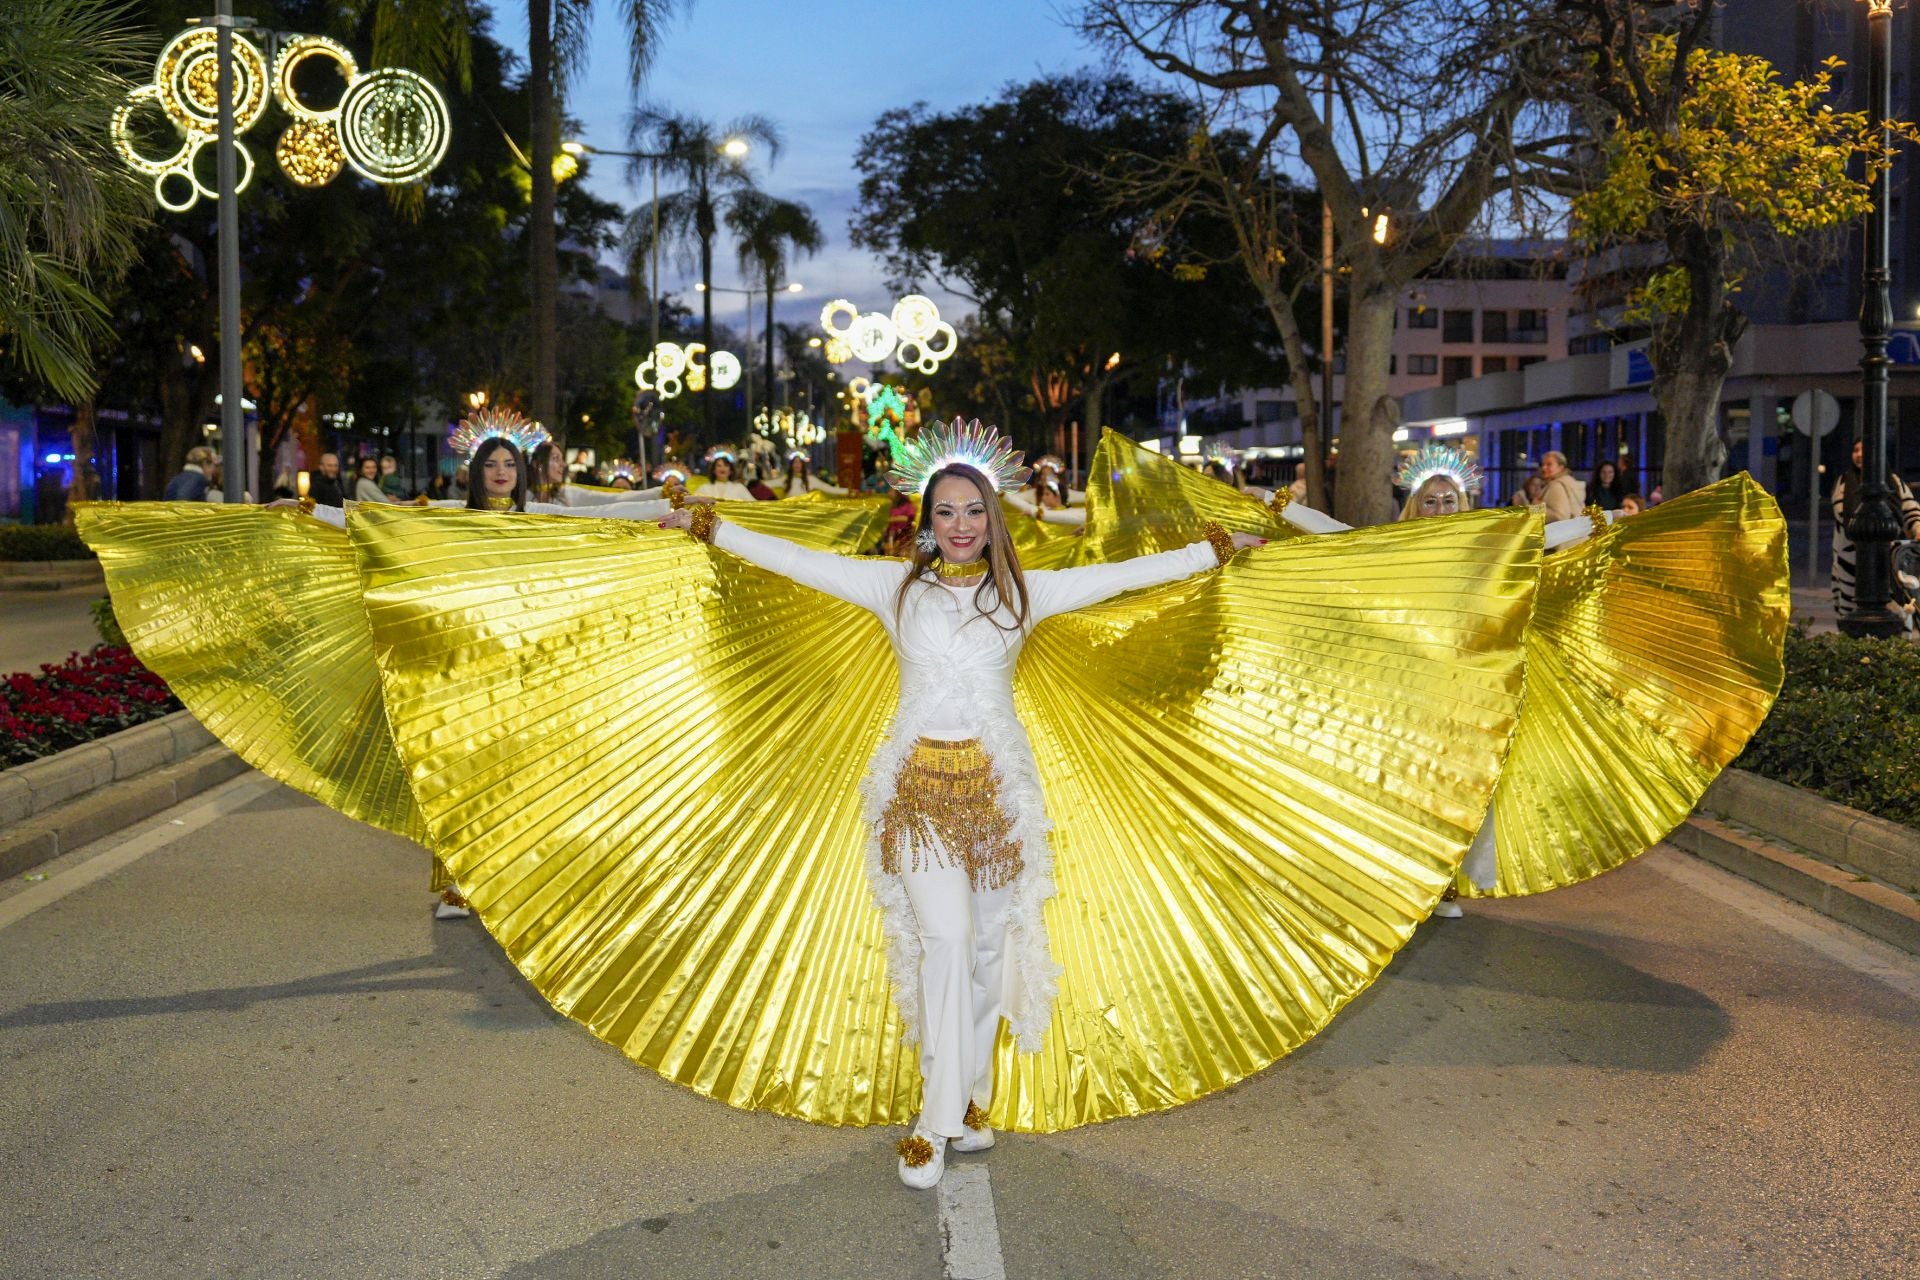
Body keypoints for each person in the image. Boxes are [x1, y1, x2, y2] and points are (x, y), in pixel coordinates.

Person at [658, 419, 1266, 1188]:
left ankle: (972, 1101)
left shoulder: (1025, 592)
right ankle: (933, 1124)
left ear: (993, 517)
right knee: (943, 941)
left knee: (984, 952)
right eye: (945, 512)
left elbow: (1124, 576)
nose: (960, 526)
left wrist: (1213, 552)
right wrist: (708, 527)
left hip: (998, 798)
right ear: (926, 517)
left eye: (973, 511)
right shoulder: (895, 587)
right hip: (916, 796)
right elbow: (797, 561)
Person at [1830, 436, 1920, 613]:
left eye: (1865, 450)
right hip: (1851, 561)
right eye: (1855, 450)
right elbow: (1843, 515)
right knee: (1851, 610)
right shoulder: (1843, 482)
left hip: (1891, 561)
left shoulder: (1894, 481)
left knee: (1899, 610)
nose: (1859, 455)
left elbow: (1910, 509)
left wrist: (1917, 528)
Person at [773, 450, 850, 498]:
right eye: (795, 462)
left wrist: (847, 491)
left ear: (803, 465)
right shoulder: (785, 479)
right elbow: (768, 484)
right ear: (791, 465)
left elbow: (827, 488)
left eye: (799, 462)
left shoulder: (810, 479)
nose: (797, 465)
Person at [1539, 451, 1585, 522]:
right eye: (1543, 464)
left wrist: (1537, 508)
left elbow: (1560, 516)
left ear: (1561, 467)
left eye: (1549, 464)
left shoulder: (1557, 485)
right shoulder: (1569, 481)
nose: (1543, 468)